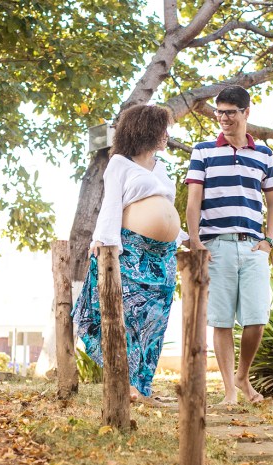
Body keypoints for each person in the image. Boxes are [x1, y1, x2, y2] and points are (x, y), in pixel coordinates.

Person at [72, 104, 187, 406]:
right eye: (161, 128)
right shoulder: (119, 163)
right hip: (133, 252)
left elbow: (166, 205)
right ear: (145, 129)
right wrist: (104, 241)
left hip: (162, 256)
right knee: (128, 318)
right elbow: (111, 205)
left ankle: (143, 388)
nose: (166, 134)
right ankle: (128, 385)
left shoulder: (160, 166)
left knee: (156, 321)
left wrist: (180, 237)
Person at [184, 85, 273, 405]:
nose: (223, 118)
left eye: (230, 112)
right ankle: (229, 391)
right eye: (219, 112)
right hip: (217, 245)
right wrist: (196, 240)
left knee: (257, 318)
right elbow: (193, 200)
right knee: (222, 320)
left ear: (246, 113)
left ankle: (243, 375)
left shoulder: (264, 154)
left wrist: (268, 240)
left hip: (253, 247)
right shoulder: (203, 151)